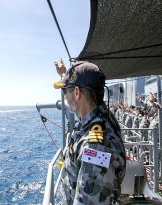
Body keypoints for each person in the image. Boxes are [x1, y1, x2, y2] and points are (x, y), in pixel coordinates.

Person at [54, 60, 126, 205]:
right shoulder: (99, 117)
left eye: (65, 91)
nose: (65, 98)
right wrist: (65, 74)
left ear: (76, 92)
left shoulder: (94, 148)